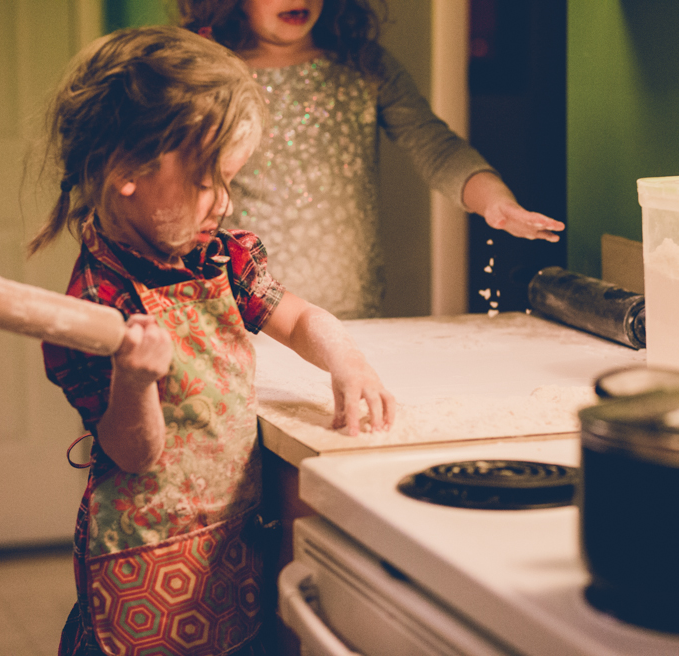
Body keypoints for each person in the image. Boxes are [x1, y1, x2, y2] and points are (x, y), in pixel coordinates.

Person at [28, 25, 395, 655]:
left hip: (229, 542)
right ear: (127, 173)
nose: (224, 204)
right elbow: (133, 452)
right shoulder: (95, 306)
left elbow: (297, 316)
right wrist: (137, 379)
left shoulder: (218, 258)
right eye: (207, 183)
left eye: (231, 182)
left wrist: (346, 358)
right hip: (145, 565)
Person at [177, 0, 565, 319]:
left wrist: (496, 202)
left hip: (351, 310)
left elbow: (436, 146)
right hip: (244, 307)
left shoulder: (365, 65)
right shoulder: (211, 72)